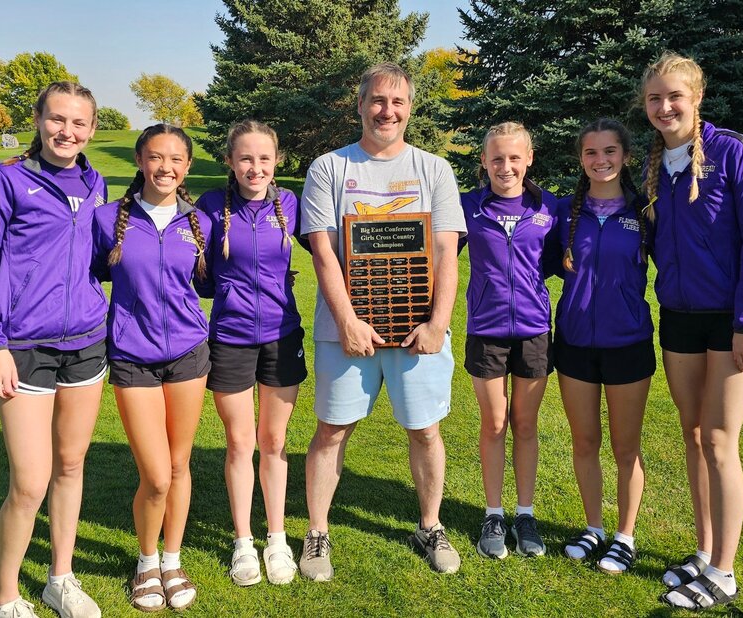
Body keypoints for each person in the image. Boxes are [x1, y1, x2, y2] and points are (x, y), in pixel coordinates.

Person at [298, 62, 467, 580]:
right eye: (376, 100)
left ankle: (429, 524)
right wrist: (347, 320)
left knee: (425, 430)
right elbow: (324, 255)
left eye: (396, 102)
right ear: (361, 105)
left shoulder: (434, 169)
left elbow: (446, 252)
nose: (386, 111)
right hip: (347, 329)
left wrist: (439, 322)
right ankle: (317, 533)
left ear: (409, 108)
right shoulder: (329, 167)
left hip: (417, 329)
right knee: (332, 430)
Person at [0, 81, 106, 618]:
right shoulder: (6, 178)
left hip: (87, 343)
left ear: (91, 129)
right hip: (23, 346)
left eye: (78, 122)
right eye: (57, 119)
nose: (66, 131)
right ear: (38, 118)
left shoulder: (96, 182)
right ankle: (3, 598)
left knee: (70, 465)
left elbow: (96, 257)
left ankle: (60, 579)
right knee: (29, 482)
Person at [640, 52, 743, 610]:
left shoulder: (731, 152)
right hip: (679, 317)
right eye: (654, 99)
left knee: (720, 440)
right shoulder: (652, 165)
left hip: (732, 321)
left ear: (696, 98)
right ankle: (704, 549)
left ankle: (724, 571)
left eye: (675, 96)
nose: (665, 107)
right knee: (693, 435)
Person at [92, 124, 210, 611]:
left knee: (180, 465)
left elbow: (214, 281)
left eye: (176, 159)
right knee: (156, 475)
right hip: (131, 356)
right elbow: (87, 278)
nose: (166, 167)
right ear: (140, 160)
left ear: (186, 166)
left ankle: (172, 558)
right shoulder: (106, 220)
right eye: (156, 157)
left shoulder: (200, 221)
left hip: (189, 354)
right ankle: (145, 560)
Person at [195, 120, 307, 586]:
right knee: (241, 442)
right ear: (230, 161)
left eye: (264, 158)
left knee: (275, 442)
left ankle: (277, 539)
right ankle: (244, 542)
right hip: (231, 337)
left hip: (282, 336)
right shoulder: (208, 206)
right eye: (245, 158)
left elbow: (329, 251)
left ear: (276, 160)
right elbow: (194, 271)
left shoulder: (290, 204)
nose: (254, 167)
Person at [554, 119, 654, 575]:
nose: (601, 160)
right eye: (591, 153)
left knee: (624, 447)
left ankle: (625, 536)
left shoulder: (646, 210)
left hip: (628, 343)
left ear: (625, 156)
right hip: (574, 342)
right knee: (585, 440)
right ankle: (593, 526)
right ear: (581, 159)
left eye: (610, 151)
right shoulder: (563, 213)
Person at [459, 122, 556, 560]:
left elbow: (555, 261)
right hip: (486, 328)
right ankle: (494, 513)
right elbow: (435, 251)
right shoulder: (468, 208)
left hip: (535, 329)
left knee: (526, 423)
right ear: (484, 161)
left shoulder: (550, 209)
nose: (506, 166)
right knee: (495, 423)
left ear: (529, 158)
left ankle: (525, 513)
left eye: (514, 158)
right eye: (497, 158)